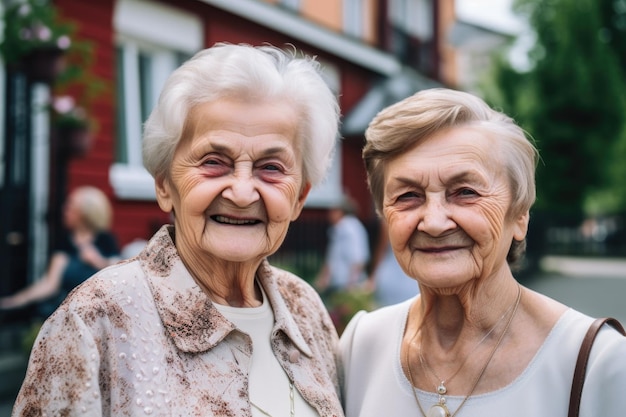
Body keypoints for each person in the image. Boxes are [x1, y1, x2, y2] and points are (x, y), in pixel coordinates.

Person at [12, 43, 344, 416]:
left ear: (299, 197)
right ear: (165, 185)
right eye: (214, 161)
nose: (241, 191)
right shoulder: (97, 318)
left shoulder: (303, 308)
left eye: (271, 167)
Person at [339, 88, 626, 417]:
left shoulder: (598, 362)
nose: (433, 222)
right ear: (384, 215)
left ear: (519, 216)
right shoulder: (362, 344)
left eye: (464, 192)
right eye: (408, 196)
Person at [0, 185, 120, 318]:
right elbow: (50, 284)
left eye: (70, 207)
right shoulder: (65, 242)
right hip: (69, 311)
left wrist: (98, 261)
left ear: (85, 213)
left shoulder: (105, 240)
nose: (64, 210)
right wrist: (17, 300)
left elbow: (118, 273)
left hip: (99, 311)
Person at [314, 194, 370, 299]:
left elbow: (357, 258)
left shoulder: (346, 228)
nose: (329, 214)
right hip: (345, 283)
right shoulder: (350, 226)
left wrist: (351, 284)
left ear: (341, 212)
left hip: (347, 285)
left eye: (333, 211)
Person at [366, 218, 419, 307]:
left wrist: (374, 275)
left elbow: (381, 250)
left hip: (390, 273)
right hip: (412, 275)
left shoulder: (388, 220)